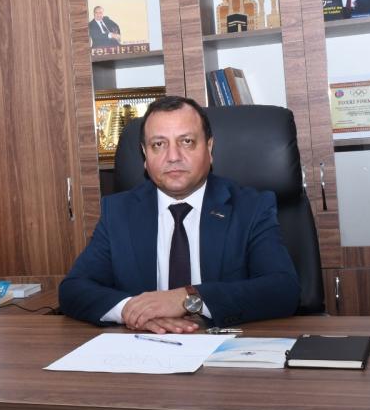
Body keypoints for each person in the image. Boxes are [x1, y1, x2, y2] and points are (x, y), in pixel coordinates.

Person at [59, 96, 300, 333]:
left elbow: (283, 289)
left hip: (224, 345)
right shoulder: (119, 212)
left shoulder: (250, 208)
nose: (173, 157)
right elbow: (74, 289)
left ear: (209, 148)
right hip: (146, 344)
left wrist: (188, 298)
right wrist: (134, 311)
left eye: (186, 142)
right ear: (145, 155)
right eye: (158, 145)